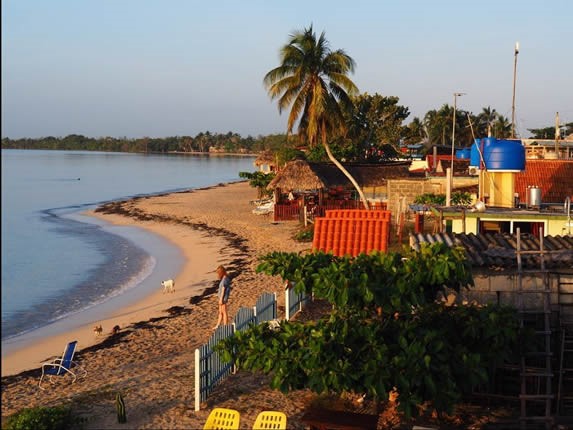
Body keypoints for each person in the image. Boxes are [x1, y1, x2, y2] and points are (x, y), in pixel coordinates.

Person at [214, 265, 231, 329]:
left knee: (224, 312)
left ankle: (225, 325)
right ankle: (217, 325)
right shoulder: (225, 278)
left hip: (223, 298)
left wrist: (221, 299)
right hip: (221, 297)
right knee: (220, 312)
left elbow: (223, 290)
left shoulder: (225, 279)